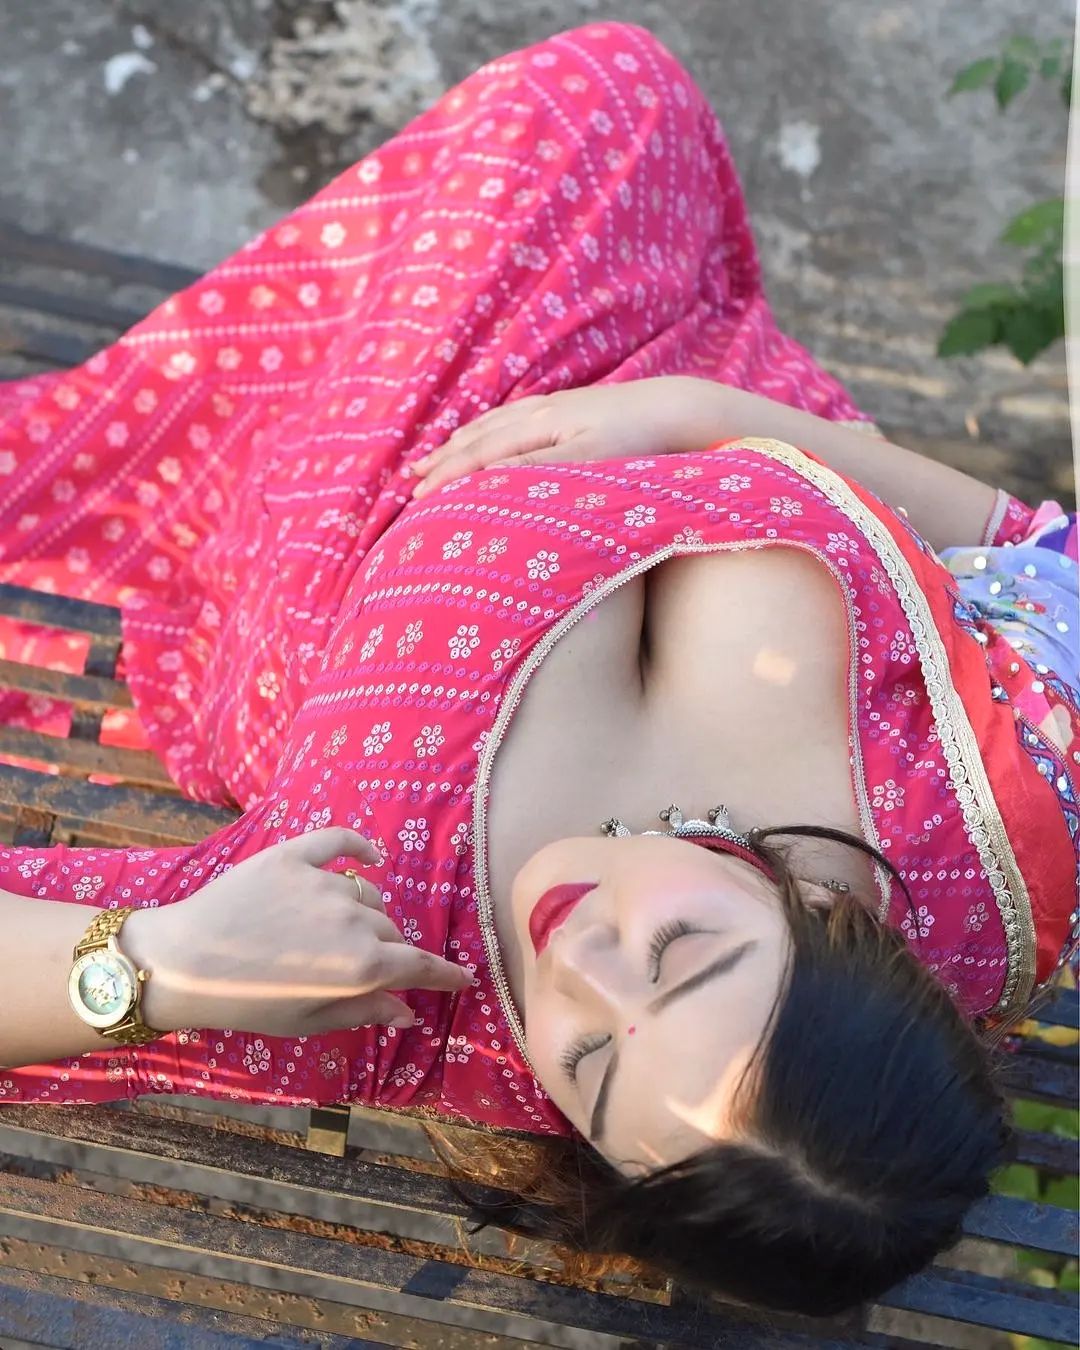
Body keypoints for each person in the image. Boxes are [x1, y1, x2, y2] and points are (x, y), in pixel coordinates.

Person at [0, 20, 1076, 1320]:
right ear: (832, 918)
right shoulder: (1005, 811)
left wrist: (159, 961)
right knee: (618, 88)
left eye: (591, 1066)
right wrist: (702, 417)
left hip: (352, 532)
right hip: (644, 378)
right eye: (681, 949)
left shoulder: (380, 972)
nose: (582, 963)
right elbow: (1037, 546)